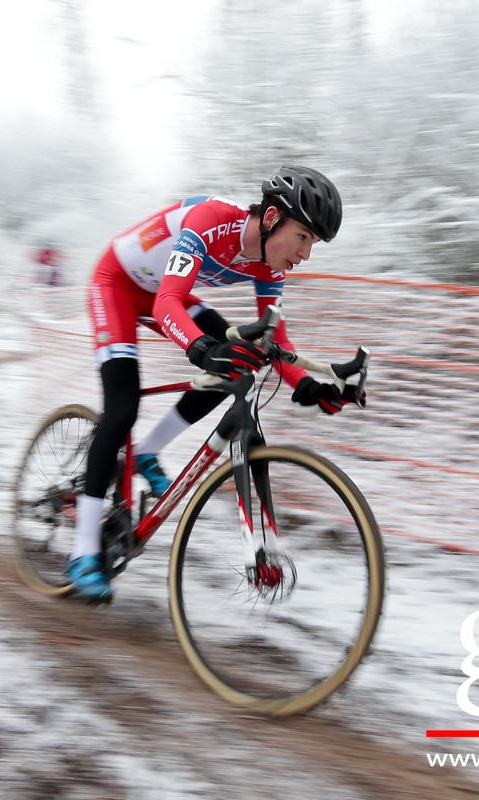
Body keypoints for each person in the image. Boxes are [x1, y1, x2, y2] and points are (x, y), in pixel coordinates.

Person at [68, 166, 356, 602]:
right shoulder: (211, 221)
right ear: (273, 217)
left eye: (313, 244)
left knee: (236, 366)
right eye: (303, 238)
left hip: (168, 292)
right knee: (122, 408)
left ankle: (145, 453)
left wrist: (306, 385)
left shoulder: (269, 265)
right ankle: (83, 551)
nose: (305, 254)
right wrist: (202, 348)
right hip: (116, 285)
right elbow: (167, 304)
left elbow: (275, 339)